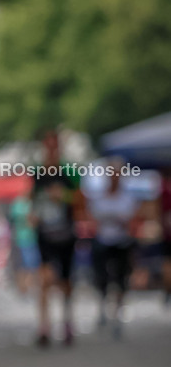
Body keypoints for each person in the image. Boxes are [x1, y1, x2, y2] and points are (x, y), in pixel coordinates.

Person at [30, 132, 84, 346]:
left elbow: (81, 200)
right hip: (44, 234)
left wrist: (64, 196)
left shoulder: (70, 172)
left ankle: (67, 322)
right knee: (44, 279)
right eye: (48, 146)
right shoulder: (37, 173)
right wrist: (32, 215)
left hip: (66, 234)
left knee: (65, 281)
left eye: (55, 146)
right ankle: (44, 326)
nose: (51, 150)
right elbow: (31, 200)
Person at [88, 163, 139, 335]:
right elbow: (92, 220)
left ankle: (117, 314)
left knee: (121, 279)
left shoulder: (127, 198)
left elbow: (132, 222)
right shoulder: (99, 198)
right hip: (103, 242)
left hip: (121, 242)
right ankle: (102, 308)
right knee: (101, 278)